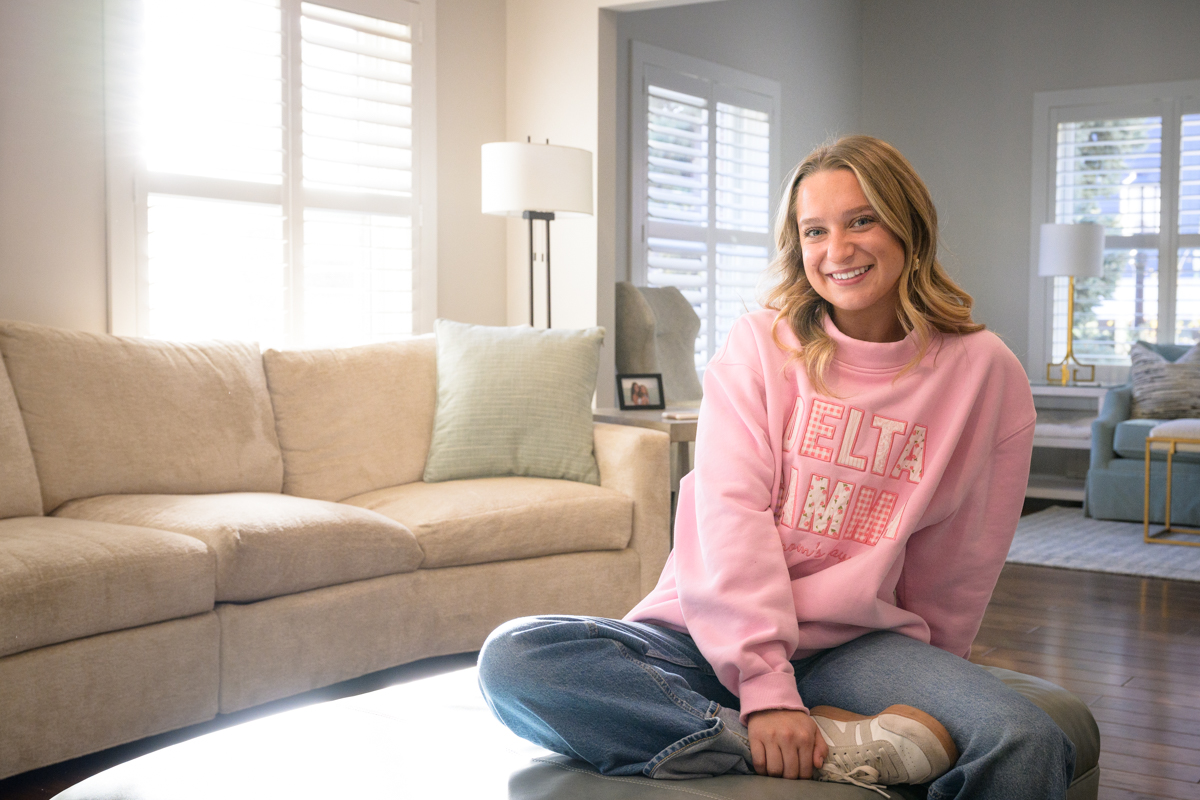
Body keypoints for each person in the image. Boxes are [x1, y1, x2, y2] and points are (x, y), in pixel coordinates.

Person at [477, 135, 1075, 799]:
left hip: (860, 647)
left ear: (909, 224)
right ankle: (805, 746)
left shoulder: (984, 372)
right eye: (813, 230)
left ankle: (744, 734)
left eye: (861, 220)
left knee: (1027, 739)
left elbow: (962, 555)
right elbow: (732, 516)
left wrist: (937, 687)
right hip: (705, 633)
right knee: (517, 656)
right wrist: (767, 693)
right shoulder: (762, 345)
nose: (837, 251)